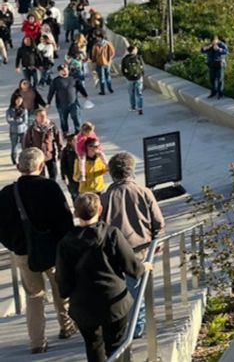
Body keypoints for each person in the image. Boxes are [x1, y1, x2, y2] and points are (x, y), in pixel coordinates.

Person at [56, 193, 150, 362]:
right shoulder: (111, 234)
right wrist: (144, 267)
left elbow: (63, 280)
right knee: (117, 344)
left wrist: (67, 294)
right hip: (114, 300)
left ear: (75, 214)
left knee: (93, 345)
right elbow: (132, 267)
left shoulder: (65, 243)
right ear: (100, 209)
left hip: (83, 304)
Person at [0, 148, 76, 353]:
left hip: (24, 253)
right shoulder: (50, 187)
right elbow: (65, 221)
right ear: (41, 166)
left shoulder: (7, 194)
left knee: (34, 297)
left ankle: (37, 342)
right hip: (53, 250)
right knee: (60, 289)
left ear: (18, 167)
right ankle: (67, 326)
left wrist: (15, 246)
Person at [102, 152, 165, 339]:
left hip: (114, 253)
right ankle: (136, 328)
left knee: (117, 292)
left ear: (111, 173)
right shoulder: (144, 192)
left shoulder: (106, 198)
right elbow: (158, 222)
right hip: (140, 251)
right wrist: (156, 241)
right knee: (137, 292)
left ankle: (121, 327)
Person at [48, 63, 90, 136]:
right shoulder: (56, 81)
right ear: (59, 72)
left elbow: (80, 88)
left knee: (76, 118)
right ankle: (65, 132)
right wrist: (48, 102)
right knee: (63, 120)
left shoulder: (74, 79)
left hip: (74, 103)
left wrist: (85, 95)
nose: (64, 72)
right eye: (62, 70)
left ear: (68, 70)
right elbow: (51, 92)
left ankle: (78, 132)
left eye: (65, 70)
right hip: (61, 105)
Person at [22, 108, 62, 180]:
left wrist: (60, 152)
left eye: (44, 115)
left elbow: (59, 140)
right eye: (40, 116)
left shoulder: (52, 127)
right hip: (37, 157)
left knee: (53, 175)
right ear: (36, 117)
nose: (43, 117)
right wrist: (27, 155)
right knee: (40, 177)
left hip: (50, 155)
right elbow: (27, 143)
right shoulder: (32, 129)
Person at [201, 35, 229, 99]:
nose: (213, 43)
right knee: (212, 79)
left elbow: (226, 52)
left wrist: (219, 49)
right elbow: (202, 51)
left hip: (219, 63)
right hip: (211, 64)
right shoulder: (209, 45)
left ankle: (220, 94)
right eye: (212, 41)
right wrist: (207, 47)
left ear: (217, 40)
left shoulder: (222, 44)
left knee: (220, 79)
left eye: (214, 41)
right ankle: (213, 92)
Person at [120, 43, 145, 114]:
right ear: (134, 50)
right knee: (139, 93)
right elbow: (142, 67)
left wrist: (126, 76)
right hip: (138, 77)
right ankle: (140, 108)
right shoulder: (138, 57)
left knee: (131, 93)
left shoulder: (124, 59)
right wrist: (141, 75)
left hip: (129, 78)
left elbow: (122, 69)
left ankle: (133, 107)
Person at [90, 31, 116, 95]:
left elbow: (93, 55)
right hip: (107, 63)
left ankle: (103, 91)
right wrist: (109, 59)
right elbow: (113, 52)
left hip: (100, 63)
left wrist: (93, 61)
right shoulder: (108, 43)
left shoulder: (96, 45)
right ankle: (110, 89)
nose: (96, 38)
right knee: (108, 76)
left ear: (99, 37)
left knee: (102, 77)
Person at [6, 92, 28, 165]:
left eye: (20, 100)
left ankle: (23, 159)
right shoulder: (9, 110)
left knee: (24, 147)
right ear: (14, 100)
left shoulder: (24, 110)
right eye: (17, 100)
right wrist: (18, 120)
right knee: (14, 147)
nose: (19, 101)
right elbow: (9, 120)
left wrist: (15, 119)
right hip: (13, 131)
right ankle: (14, 159)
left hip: (23, 130)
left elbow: (25, 121)